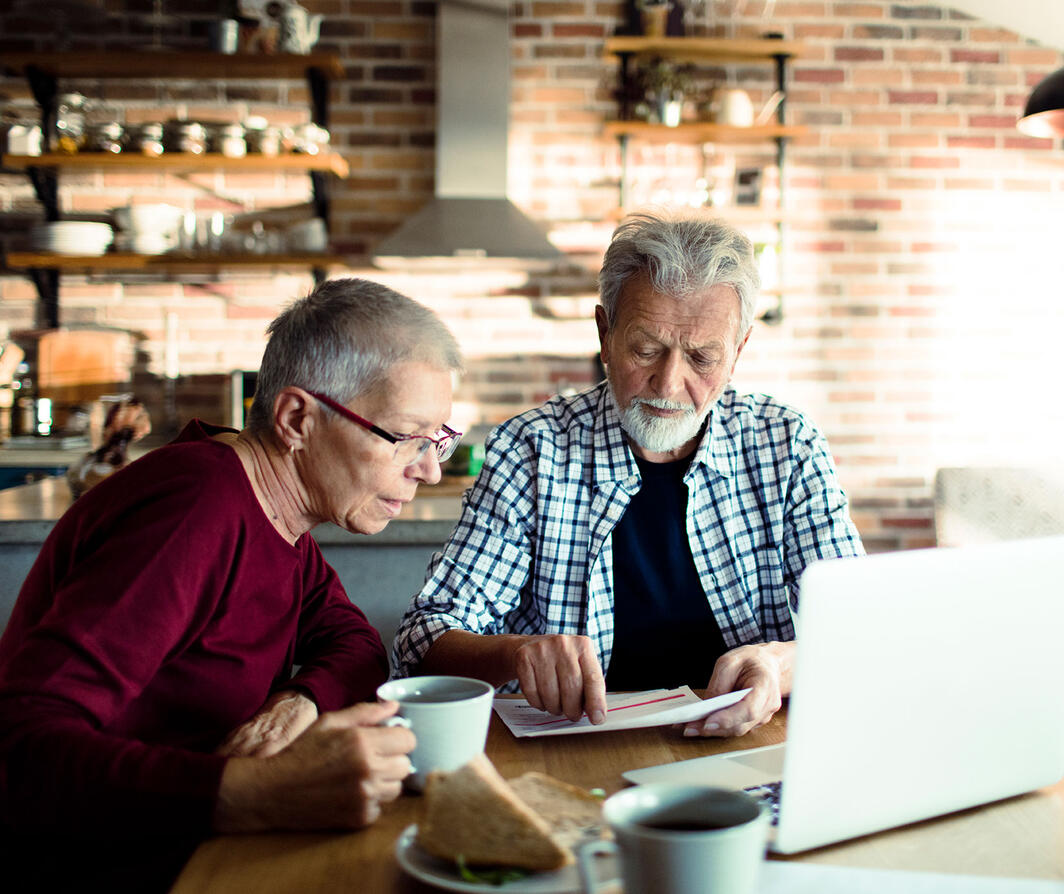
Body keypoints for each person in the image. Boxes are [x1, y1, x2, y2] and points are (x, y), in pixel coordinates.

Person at [0, 278, 464, 891]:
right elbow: (21, 753)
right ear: (297, 418)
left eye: (439, 439)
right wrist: (262, 792)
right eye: (406, 437)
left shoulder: (281, 518)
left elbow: (354, 645)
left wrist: (296, 703)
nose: (429, 469)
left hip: (204, 851)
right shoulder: (196, 508)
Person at [394, 210, 863, 740]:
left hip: (748, 744)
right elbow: (420, 643)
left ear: (738, 353)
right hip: (571, 752)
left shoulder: (785, 444)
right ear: (605, 333)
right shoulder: (531, 451)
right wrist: (517, 652)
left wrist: (780, 668)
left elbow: (864, 630)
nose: (668, 383)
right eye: (646, 349)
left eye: (703, 356)